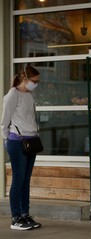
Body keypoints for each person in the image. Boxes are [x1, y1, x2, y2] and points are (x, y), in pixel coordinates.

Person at [1, 65, 42, 230]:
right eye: (35, 81)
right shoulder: (13, 94)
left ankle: (25, 215)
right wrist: (6, 138)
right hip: (17, 141)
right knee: (18, 179)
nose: (36, 84)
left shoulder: (29, 95)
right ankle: (16, 218)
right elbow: (4, 121)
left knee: (26, 180)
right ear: (25, 79)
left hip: (31, 141)